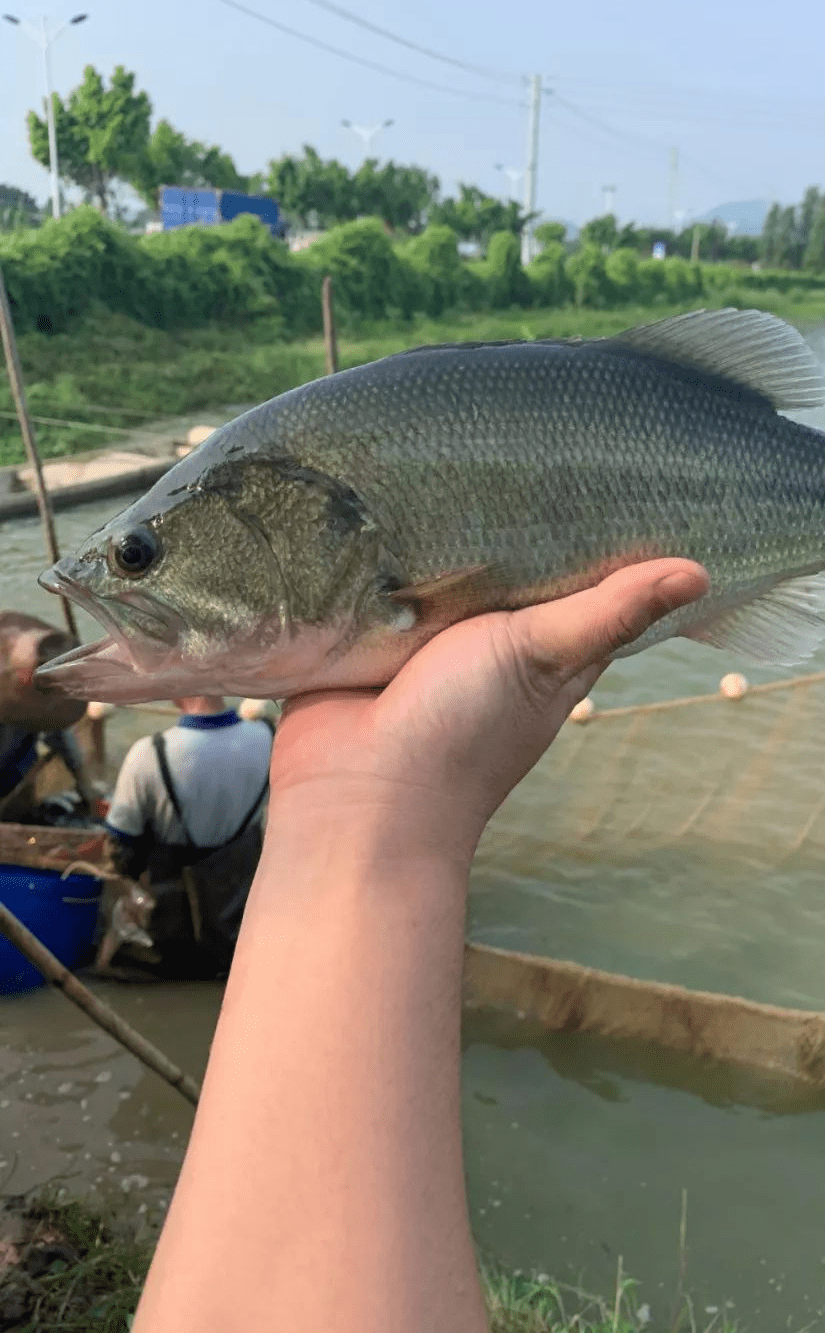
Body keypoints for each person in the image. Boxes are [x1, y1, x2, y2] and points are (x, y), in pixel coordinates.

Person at [130, 558, 708, 1333]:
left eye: (140, 556)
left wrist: (364, 811)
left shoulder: (148, 758)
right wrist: (381, 808)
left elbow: (121, 847)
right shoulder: (259, 735)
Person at [104, 695, 273, 976]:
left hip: (171, 942)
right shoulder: (269, 738)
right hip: (240, 933)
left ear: (173, 685)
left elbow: (120, 849)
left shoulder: (148, 752)